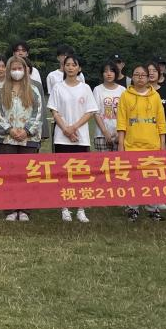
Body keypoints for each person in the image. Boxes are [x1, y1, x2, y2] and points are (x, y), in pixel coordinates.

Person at [0, 55, 44, 222]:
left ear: (25, 70)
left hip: (28, 140)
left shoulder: (33, 90)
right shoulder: (1, 91)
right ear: (9, 71)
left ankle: (25, 209)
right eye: (13, 69)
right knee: (9, 175)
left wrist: (27, 131)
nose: (16, 71)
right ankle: (10, 209)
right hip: (7, 139)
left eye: (19, 68)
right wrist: (10, 130)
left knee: (27, 175)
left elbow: (38, 113)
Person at [116, 63, 166, 222]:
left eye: (143, 75)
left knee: (152, 180)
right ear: (132, 77)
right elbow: (122, 121)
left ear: (148, 78)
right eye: (136, 75)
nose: (140, 78)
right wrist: (121, 144)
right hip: (131, 145)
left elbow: (161, 121)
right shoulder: (125, 95)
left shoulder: (155, 96)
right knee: (133, 179)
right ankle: (133, 209)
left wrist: (162, 143)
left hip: (152, 145)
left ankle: (153, 209)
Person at [48, 54, 97, 223]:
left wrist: (74, 128)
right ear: (63, 67)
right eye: (67, 64)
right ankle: (65, 207)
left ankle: (81, 208)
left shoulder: (85, 88)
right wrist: (66, 129)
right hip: (62, 137)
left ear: (79, 68)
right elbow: (54, 111)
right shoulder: (58, 87)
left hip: (80, 137)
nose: (70, 67)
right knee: (63, 173)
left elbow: (90, 111)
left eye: (73, 65)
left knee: (81, 174)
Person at [92, 63, 125, 152]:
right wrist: (105, 132)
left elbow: (125, 113)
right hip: (101, 135)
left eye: (111, 71)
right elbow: (96, 113)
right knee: (103, 160)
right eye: (105, 71)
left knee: (120, 160)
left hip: (119, 134)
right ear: (102, 74)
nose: (109, 74)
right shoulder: (97, 90)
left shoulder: (122, 90)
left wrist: (119, 132)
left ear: (116, 73)